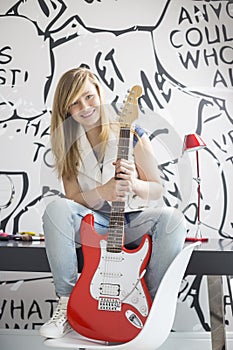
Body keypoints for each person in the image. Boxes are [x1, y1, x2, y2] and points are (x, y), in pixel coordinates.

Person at [39, 67, 187, 339]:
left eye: (88, 97)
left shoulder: (132, 134)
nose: (84, 106)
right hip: (93, 223)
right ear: (66, 110)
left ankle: (148, 305)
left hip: (132, 220)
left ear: (99, 93)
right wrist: (103, 192)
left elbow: (156, 189)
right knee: (56, 208)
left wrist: (135, 184)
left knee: (173, 219)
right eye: (74, 102)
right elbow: (72, 196)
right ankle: (68, 306)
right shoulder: (67, 143)